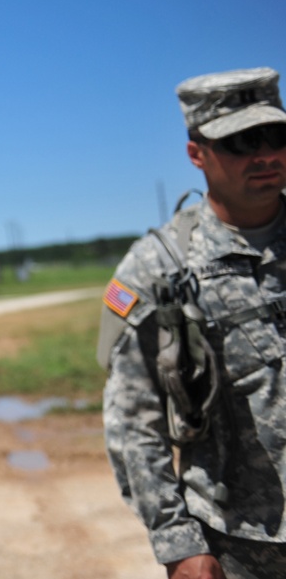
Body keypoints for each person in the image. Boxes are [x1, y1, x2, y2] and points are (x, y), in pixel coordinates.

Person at [99, 66, 286, 579]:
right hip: (244, 544)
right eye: (242, 141)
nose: (264, 154)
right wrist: (178, 542)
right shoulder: (159, 267)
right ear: (196, 153)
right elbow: (134, 418)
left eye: (276, 135)